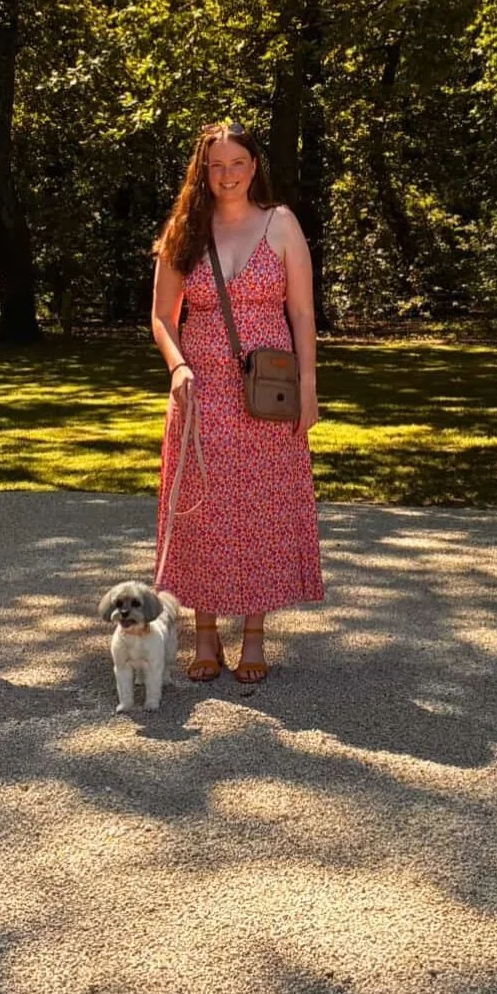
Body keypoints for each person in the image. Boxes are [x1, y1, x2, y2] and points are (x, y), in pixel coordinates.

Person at [151, 120, 323, 684]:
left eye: (238, 164)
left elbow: (300, 313)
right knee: (202, 508)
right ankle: (204, 636)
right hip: (201, 389)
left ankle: (253, 636)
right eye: (216, 165)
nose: (227, 176)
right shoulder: (184, 229)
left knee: (260, 510)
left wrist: (309, 391)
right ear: (203, 171)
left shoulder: (281, 224)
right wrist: (178, 367)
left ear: (254, 167)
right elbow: (161, 316)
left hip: (267, 391)